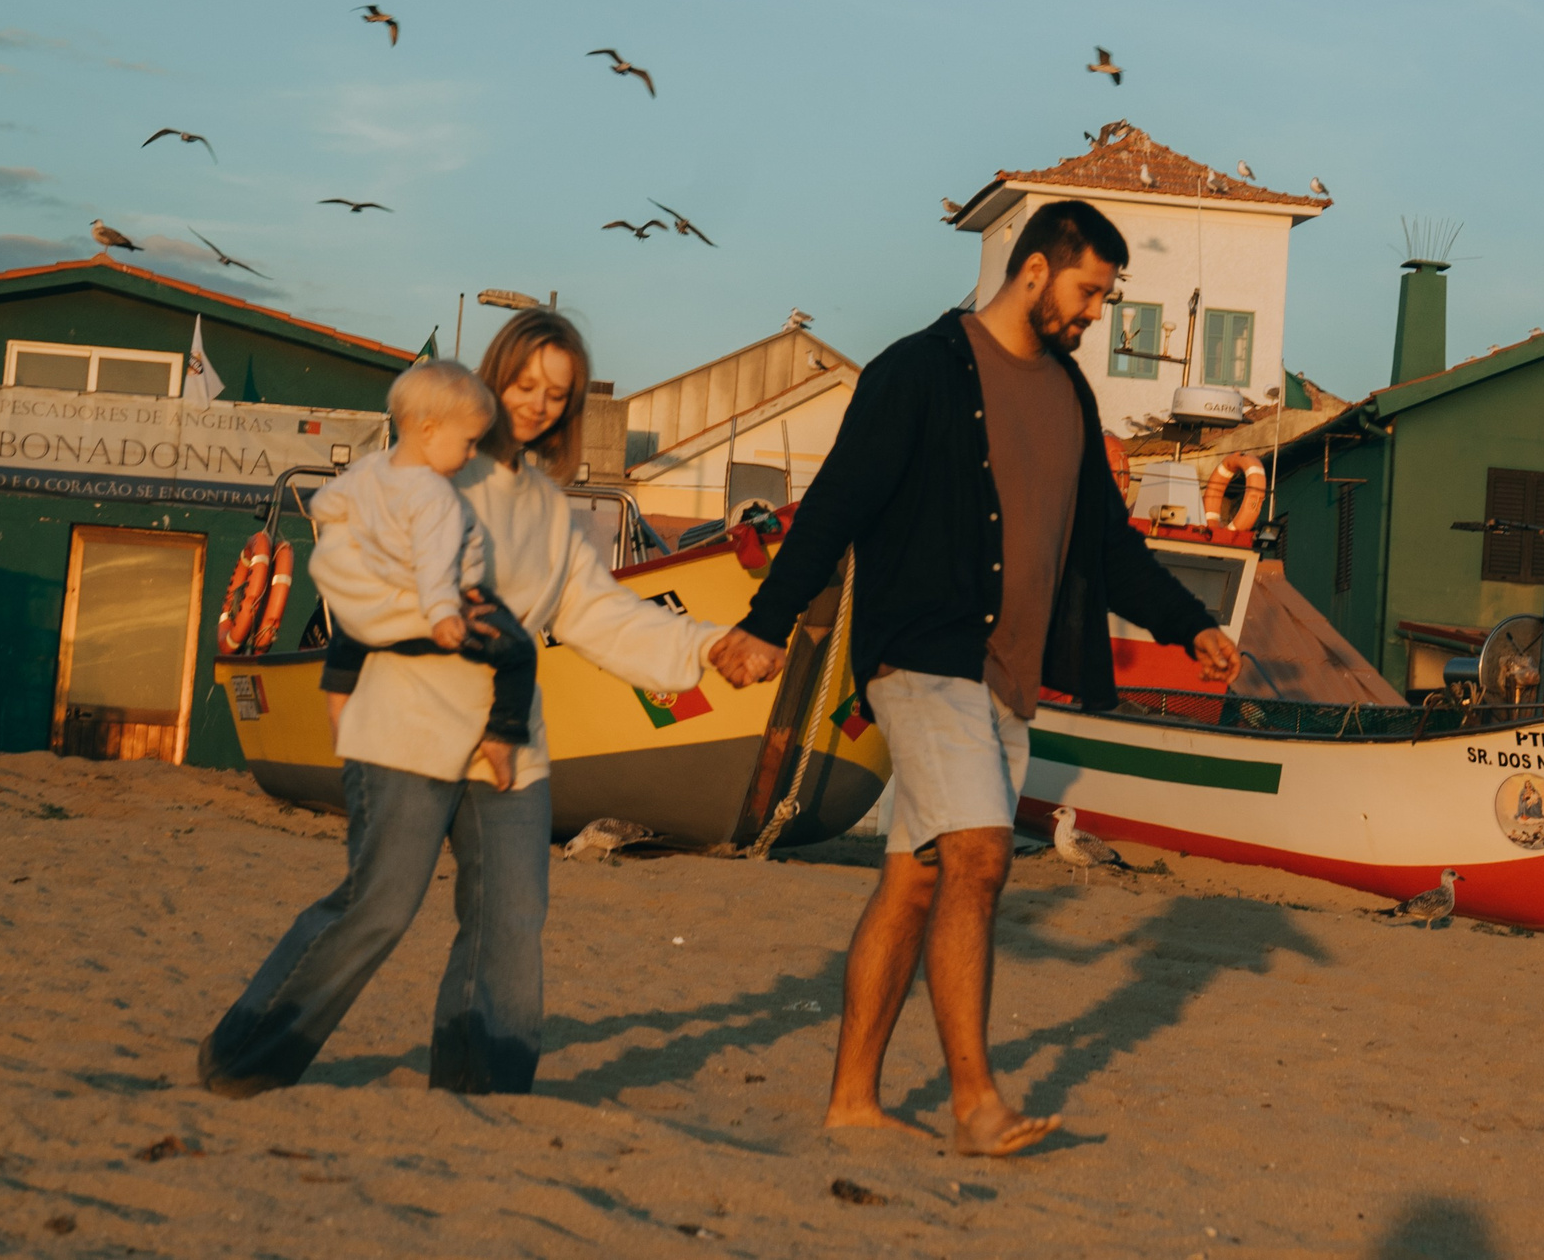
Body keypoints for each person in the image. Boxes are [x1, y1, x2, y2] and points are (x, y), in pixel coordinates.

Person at [713, 198, 1239, 1157]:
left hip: (1005, 677)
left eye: (1105, 298)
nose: (1094, 315)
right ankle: (974, 1101)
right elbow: (836, 502)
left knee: (914, 882)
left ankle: (851, 1101)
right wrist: (764, 620)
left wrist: (1190, 622)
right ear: (1035, 270)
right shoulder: (918, 372)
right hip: (921, 657)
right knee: (983, 860)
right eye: (1088, 292)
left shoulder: (1071, 397)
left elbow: (1107, 547)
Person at [198, 309, 772, 1097]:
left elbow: (597, 612)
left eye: (558, 394)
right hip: (406, 722)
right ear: (494, 378)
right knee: (381, 905)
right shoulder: (421, 468)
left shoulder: (546, 508)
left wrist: (708, 645)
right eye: (526, 383)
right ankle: (246, 1054)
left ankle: (483, 1086)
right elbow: (341, 544)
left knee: (510, 917)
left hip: (509, 740)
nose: (538, 403)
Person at [309, 359, 536, 749]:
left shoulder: (370, 468)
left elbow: (325, 505)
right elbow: (437, 562)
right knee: (519, 652)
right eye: (468, 443)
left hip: (373, 596)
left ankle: (338, 712)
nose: (470, 456)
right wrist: (444, 613)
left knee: (347, 638)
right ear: (429, 431)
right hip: (447, 595)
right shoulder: (436, 496)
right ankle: (502, 737)